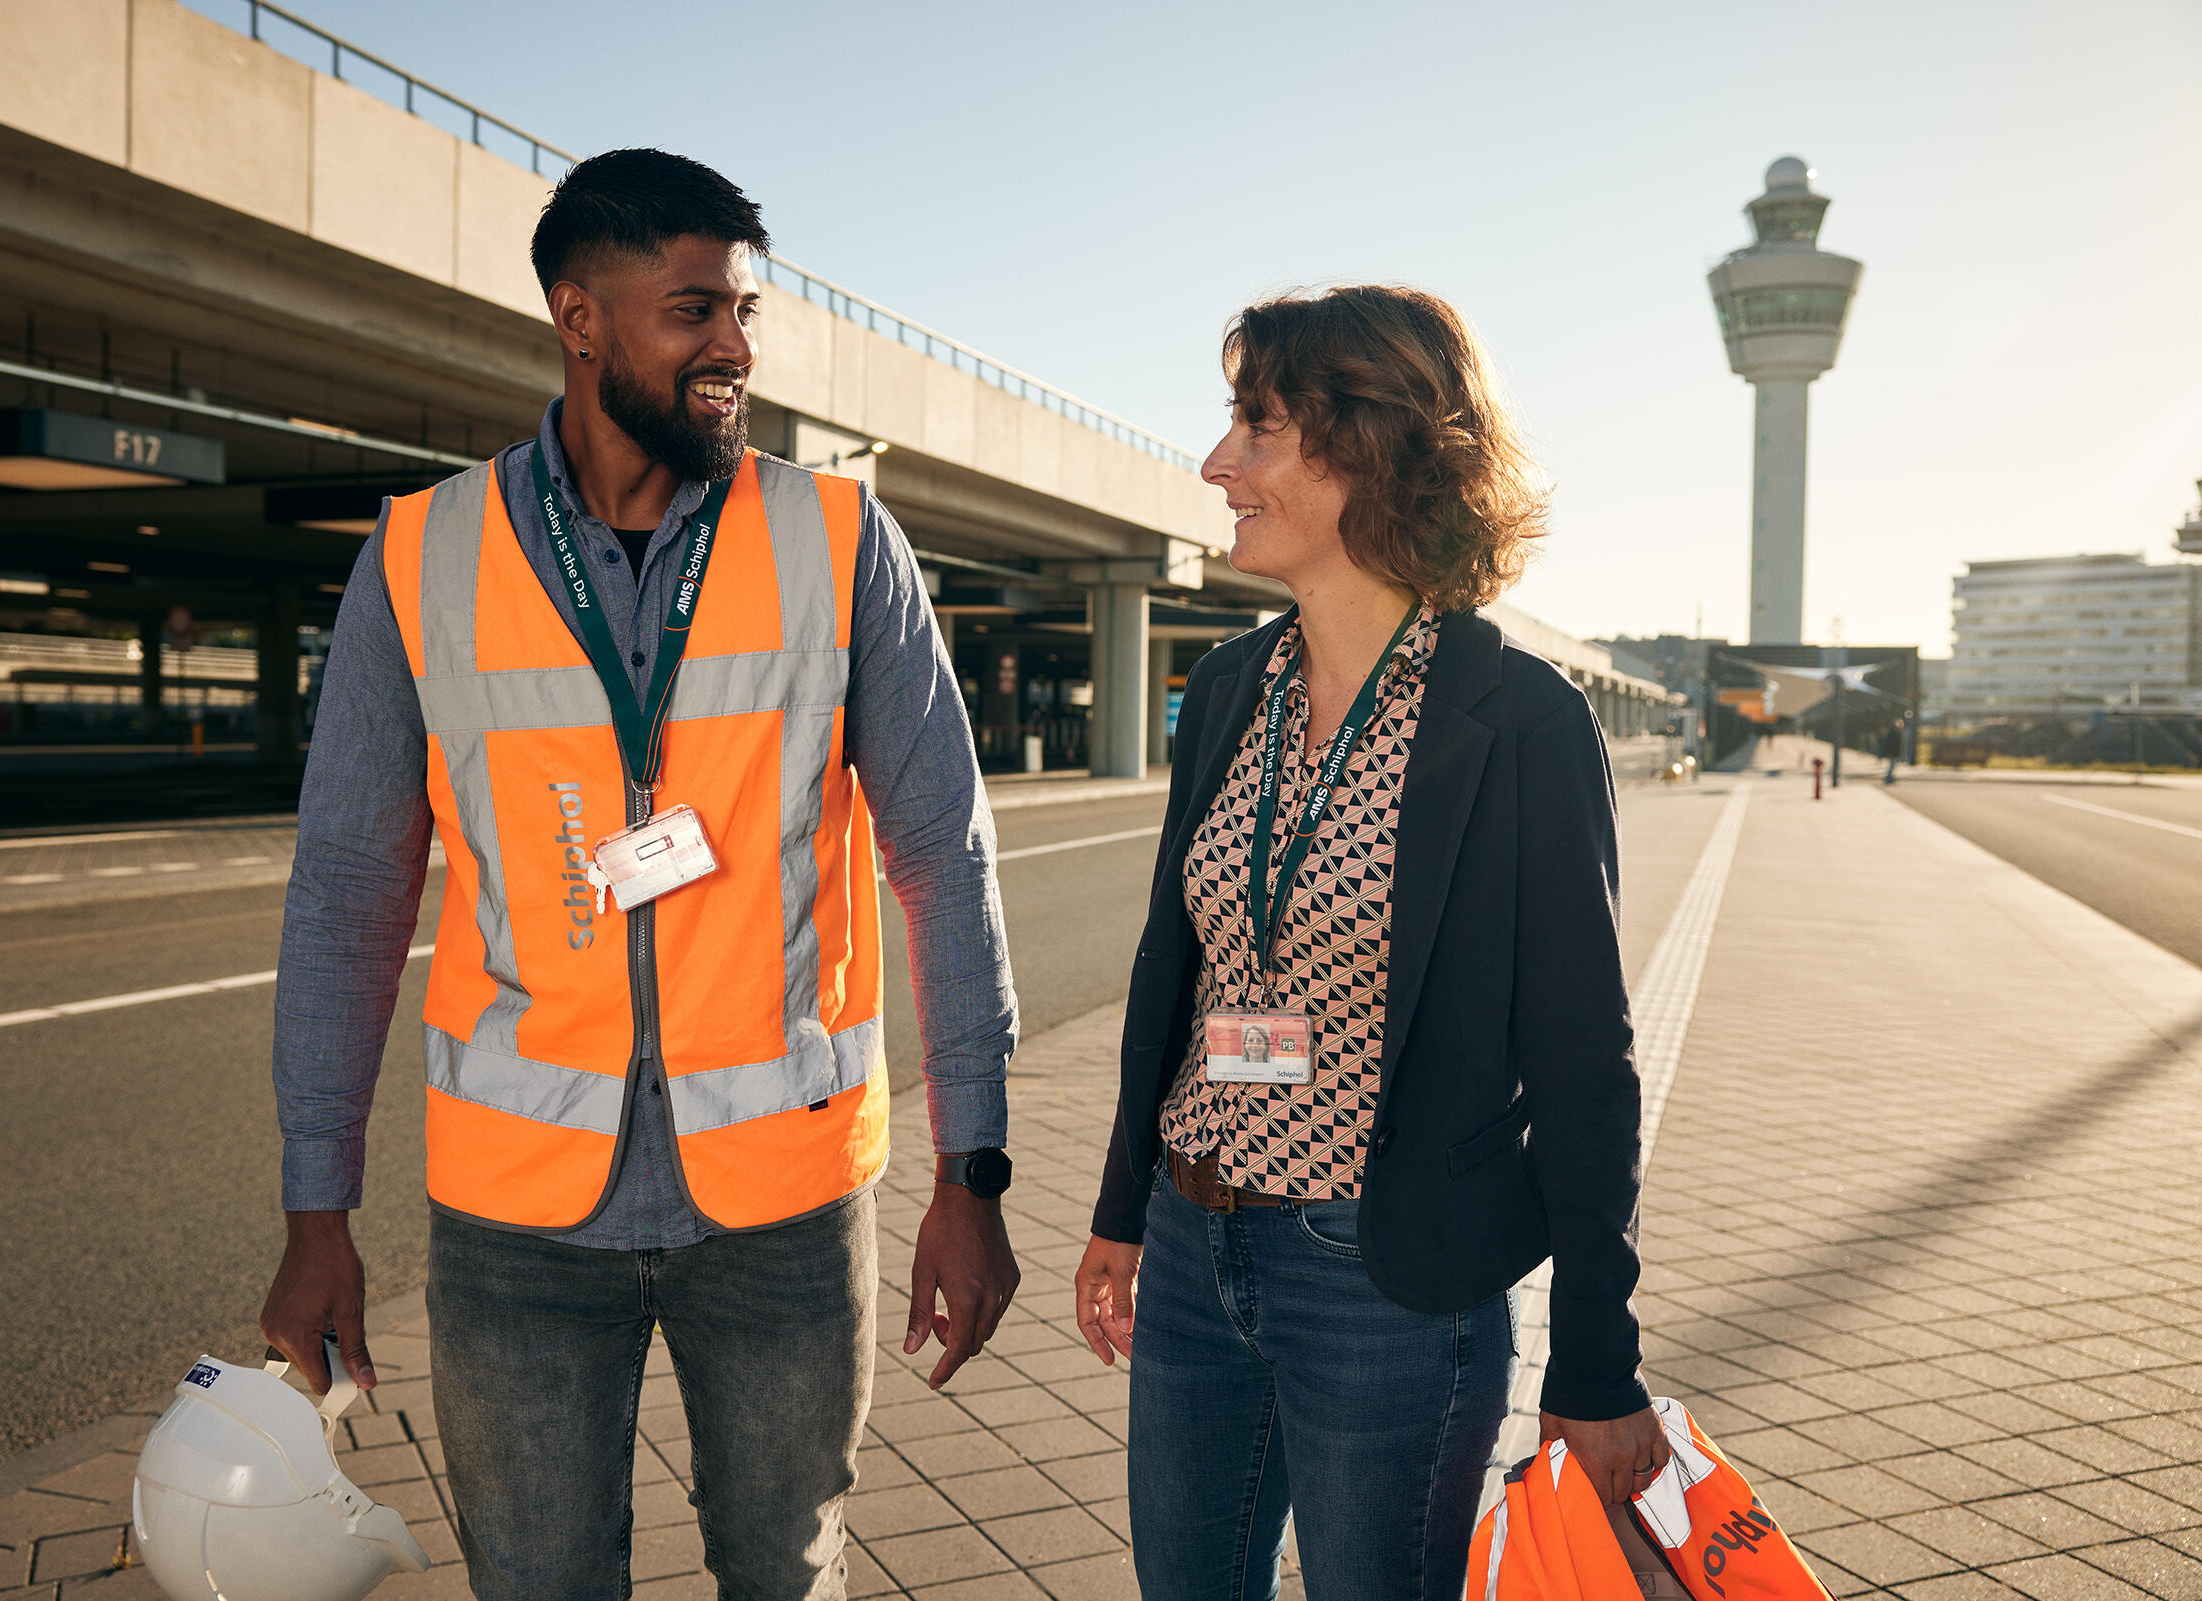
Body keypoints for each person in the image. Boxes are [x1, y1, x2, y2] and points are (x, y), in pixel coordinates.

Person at [259, 149, 1022, 1600]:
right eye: (692, 310)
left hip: (787, 1205)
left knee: (787, 1575)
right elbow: (348, 894)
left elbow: (945, 857)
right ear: (580, 316)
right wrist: (317, 1213)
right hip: (516, 1226)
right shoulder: (422, 555)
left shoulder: (843, 541)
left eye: (743, 309)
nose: (733, 345)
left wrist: (970, 1174)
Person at [1071, 284, 1670, 1601]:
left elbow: (1585, 1064)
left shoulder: (1519, 721)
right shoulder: (1230, 686)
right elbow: (1177, 978)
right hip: (1192, 1242)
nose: (1219, 463)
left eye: (1258, 427)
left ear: (1372, 445)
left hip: (1384, 1281)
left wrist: (1597, 1359)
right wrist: (1124, 1209)